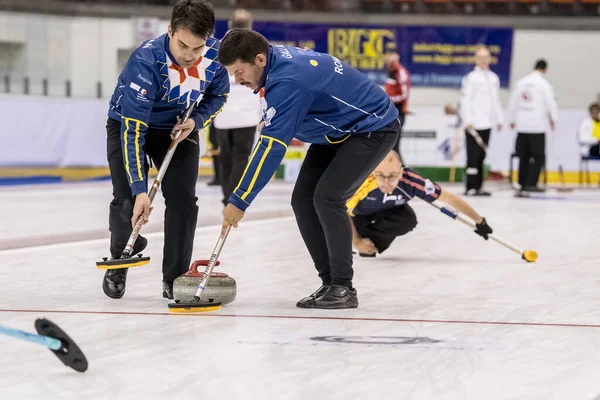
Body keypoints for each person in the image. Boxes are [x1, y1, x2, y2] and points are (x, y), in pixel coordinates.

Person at [217, 29, 400, 309]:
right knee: (302, 199)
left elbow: (271, 148)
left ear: (259, 60)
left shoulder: (288, 81)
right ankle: (329, 282)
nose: (238, 80)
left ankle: (342, 287)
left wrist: (239, 199)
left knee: (328, 197)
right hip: (339, 129)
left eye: (239, 72)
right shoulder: (271, 58)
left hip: (373, 128)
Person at [103, 0, 229, 300]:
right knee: (126, 199)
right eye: (183, 45)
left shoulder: (215, 56)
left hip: (178, 128)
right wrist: (140, 190)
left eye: (197, 48)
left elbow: (219, 95)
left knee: (184, 201)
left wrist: (196, 121)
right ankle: (120, 261)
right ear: (170, 31)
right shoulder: (145, 62)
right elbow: (134, 132)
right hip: (129, 125)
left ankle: (174, 278)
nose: (189, 55)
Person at [348, 150, 493, 257]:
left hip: (387, 210)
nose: (386, 182)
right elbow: (339, 210)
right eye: (381, 176)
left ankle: (370, 243)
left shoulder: (412, 181)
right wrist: (356, 241)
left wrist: (479, 221)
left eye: (392, 176)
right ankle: (356, 242)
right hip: (355, 214)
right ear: (374, 172)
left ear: (400, 172)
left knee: (407, 219)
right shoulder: (362, 181)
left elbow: (449, 198)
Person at [213, 9, 262, 205]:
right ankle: (233, 198)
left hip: (224, 112)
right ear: (250, 25)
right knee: (241, 157)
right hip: (248, 113)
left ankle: (227, 196)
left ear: (229, 25)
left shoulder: (219, 47)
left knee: (226, 157)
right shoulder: (258, 46)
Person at [507, 59, 559, 194]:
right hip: (537, 126)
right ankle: (531, 183)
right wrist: (554, 120)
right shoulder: (544, 84)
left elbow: (512, 101)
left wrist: (512, 119)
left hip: (522, 126)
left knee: (523, 156)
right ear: (545, 70)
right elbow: (551, 103)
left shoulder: (521, 82)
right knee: (537, 157)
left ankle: (521, 182)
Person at [459, 45, 503, 196]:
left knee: (482, 156)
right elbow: (465, 100)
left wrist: (499, 118)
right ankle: (470, 186)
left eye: (486, 57)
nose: (484, 60)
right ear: (476, 59)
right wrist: (468, 120)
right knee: (473, 155)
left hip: (487, 123)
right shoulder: (471, 78)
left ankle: (479, 186)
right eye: (481, 57)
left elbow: (496, 100)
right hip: (474, 124)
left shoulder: (493, 78)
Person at [384, 51, 410, 158]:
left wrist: (389, 99)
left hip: (398, 111)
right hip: (391, 110)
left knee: (394, 144)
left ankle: (400, 170)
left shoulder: (401, 72)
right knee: (389, 143)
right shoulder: (391, 71)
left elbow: (404, 94)